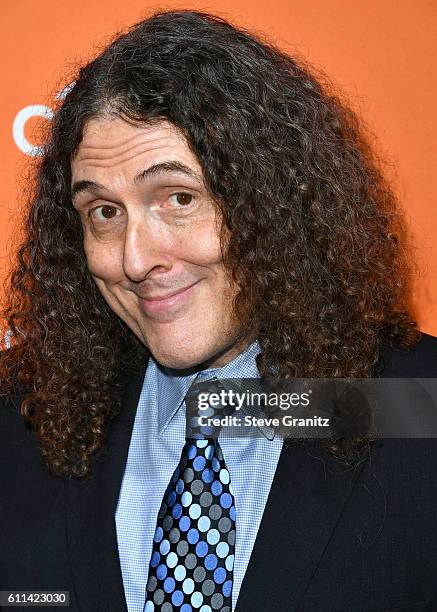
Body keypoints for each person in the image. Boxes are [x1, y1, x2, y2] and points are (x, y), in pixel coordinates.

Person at [0, 9, 436, 612]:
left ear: (274, 201)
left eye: (179, 198)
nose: (135, 258)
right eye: (104, 211)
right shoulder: (23, 414)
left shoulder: (419, 407)